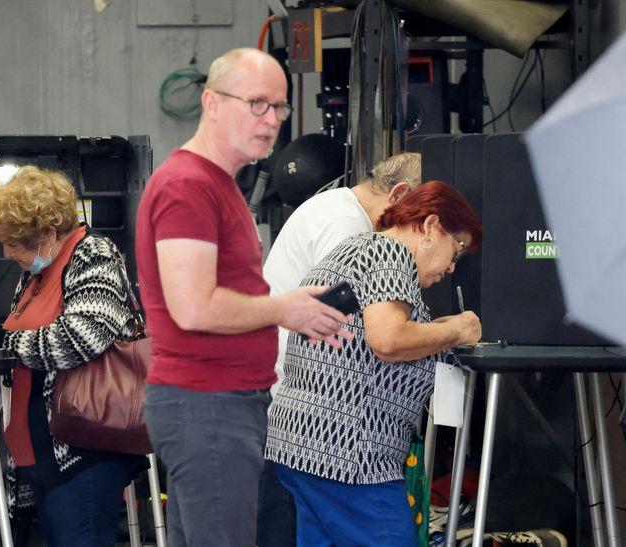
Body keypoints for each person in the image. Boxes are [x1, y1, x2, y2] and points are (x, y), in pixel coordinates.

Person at [135, 47, 354, 547]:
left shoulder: (221, 184)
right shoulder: (188, 186)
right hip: (207, 404)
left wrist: (293, 310)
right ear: (212, 103)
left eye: (279, 107)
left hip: (220, 405)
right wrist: (284, 308)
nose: (271, 120)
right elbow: (193, 306)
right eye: (257, 103)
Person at [265, 180, 483, 547]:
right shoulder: (390, 254)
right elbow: (388, 340)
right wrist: (458, 330)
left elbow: (364, 340)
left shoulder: (356, 250)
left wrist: (435, 331)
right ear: (431, 226)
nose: (450, 268)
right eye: (456, 251)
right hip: (350, 455)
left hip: (303, 446)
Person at [258, 151, 422, 547]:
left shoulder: (334, 209)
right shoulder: (350, 230)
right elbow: (366, 334)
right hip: (326, 427)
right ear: (399, 195)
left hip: (297, 413)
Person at [0, 165, 146, 547]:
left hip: (83, 453)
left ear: (48, 234)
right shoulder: (38, 272)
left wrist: (7, 348)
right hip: (45, 456)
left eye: (17, 243)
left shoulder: (92, 254)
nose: (8, 252)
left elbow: (84, 336)